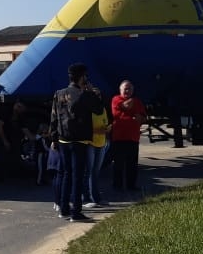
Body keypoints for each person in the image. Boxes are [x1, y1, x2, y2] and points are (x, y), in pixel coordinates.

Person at [51, 63, 104, 222]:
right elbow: (99, 109)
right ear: (82, 77)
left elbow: (53, 117)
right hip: (79, 140)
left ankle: (64, 208)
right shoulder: (84, 94)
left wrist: (54, 138)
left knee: (66, 174)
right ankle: (76, 212)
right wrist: (93, 93)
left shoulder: (59, 93)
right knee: (77, 176)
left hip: (62, 139)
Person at [110, 80, 148, 192]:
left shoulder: (138, 102)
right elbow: (125, 107)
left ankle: (131, 185)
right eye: (125, 88)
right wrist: (134, 115)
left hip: (133, 137)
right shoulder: (116, 99)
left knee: (132, 164)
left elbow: (143, 118)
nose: (127, 91)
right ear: (120, 90)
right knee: (118, 164)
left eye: (130, 89)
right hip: (119, 137)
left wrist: (138, 117)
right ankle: (117, 185)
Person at [83, 97, 111, 209]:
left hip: (101, 142)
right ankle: (86, 198)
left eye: (99, 96)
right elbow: (83, 127)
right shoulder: (87, 109)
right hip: (90, 143)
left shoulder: (103, 109)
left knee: (95, 172)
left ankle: (96, 198)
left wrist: (107, 130)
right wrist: (97, 131)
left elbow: (105, 122)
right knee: (88, 172)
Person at [0, 101, 31, 181]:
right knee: (1, 156)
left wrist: (35, 136)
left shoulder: (20, 116)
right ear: (17, 106)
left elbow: (24, 129)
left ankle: (12, 173)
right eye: (22, 109)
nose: (22, 111)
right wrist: (5, 141)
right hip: (2, 137)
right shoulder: (6, 111)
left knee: (15, 153)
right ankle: (0, 177)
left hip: (12, 137)